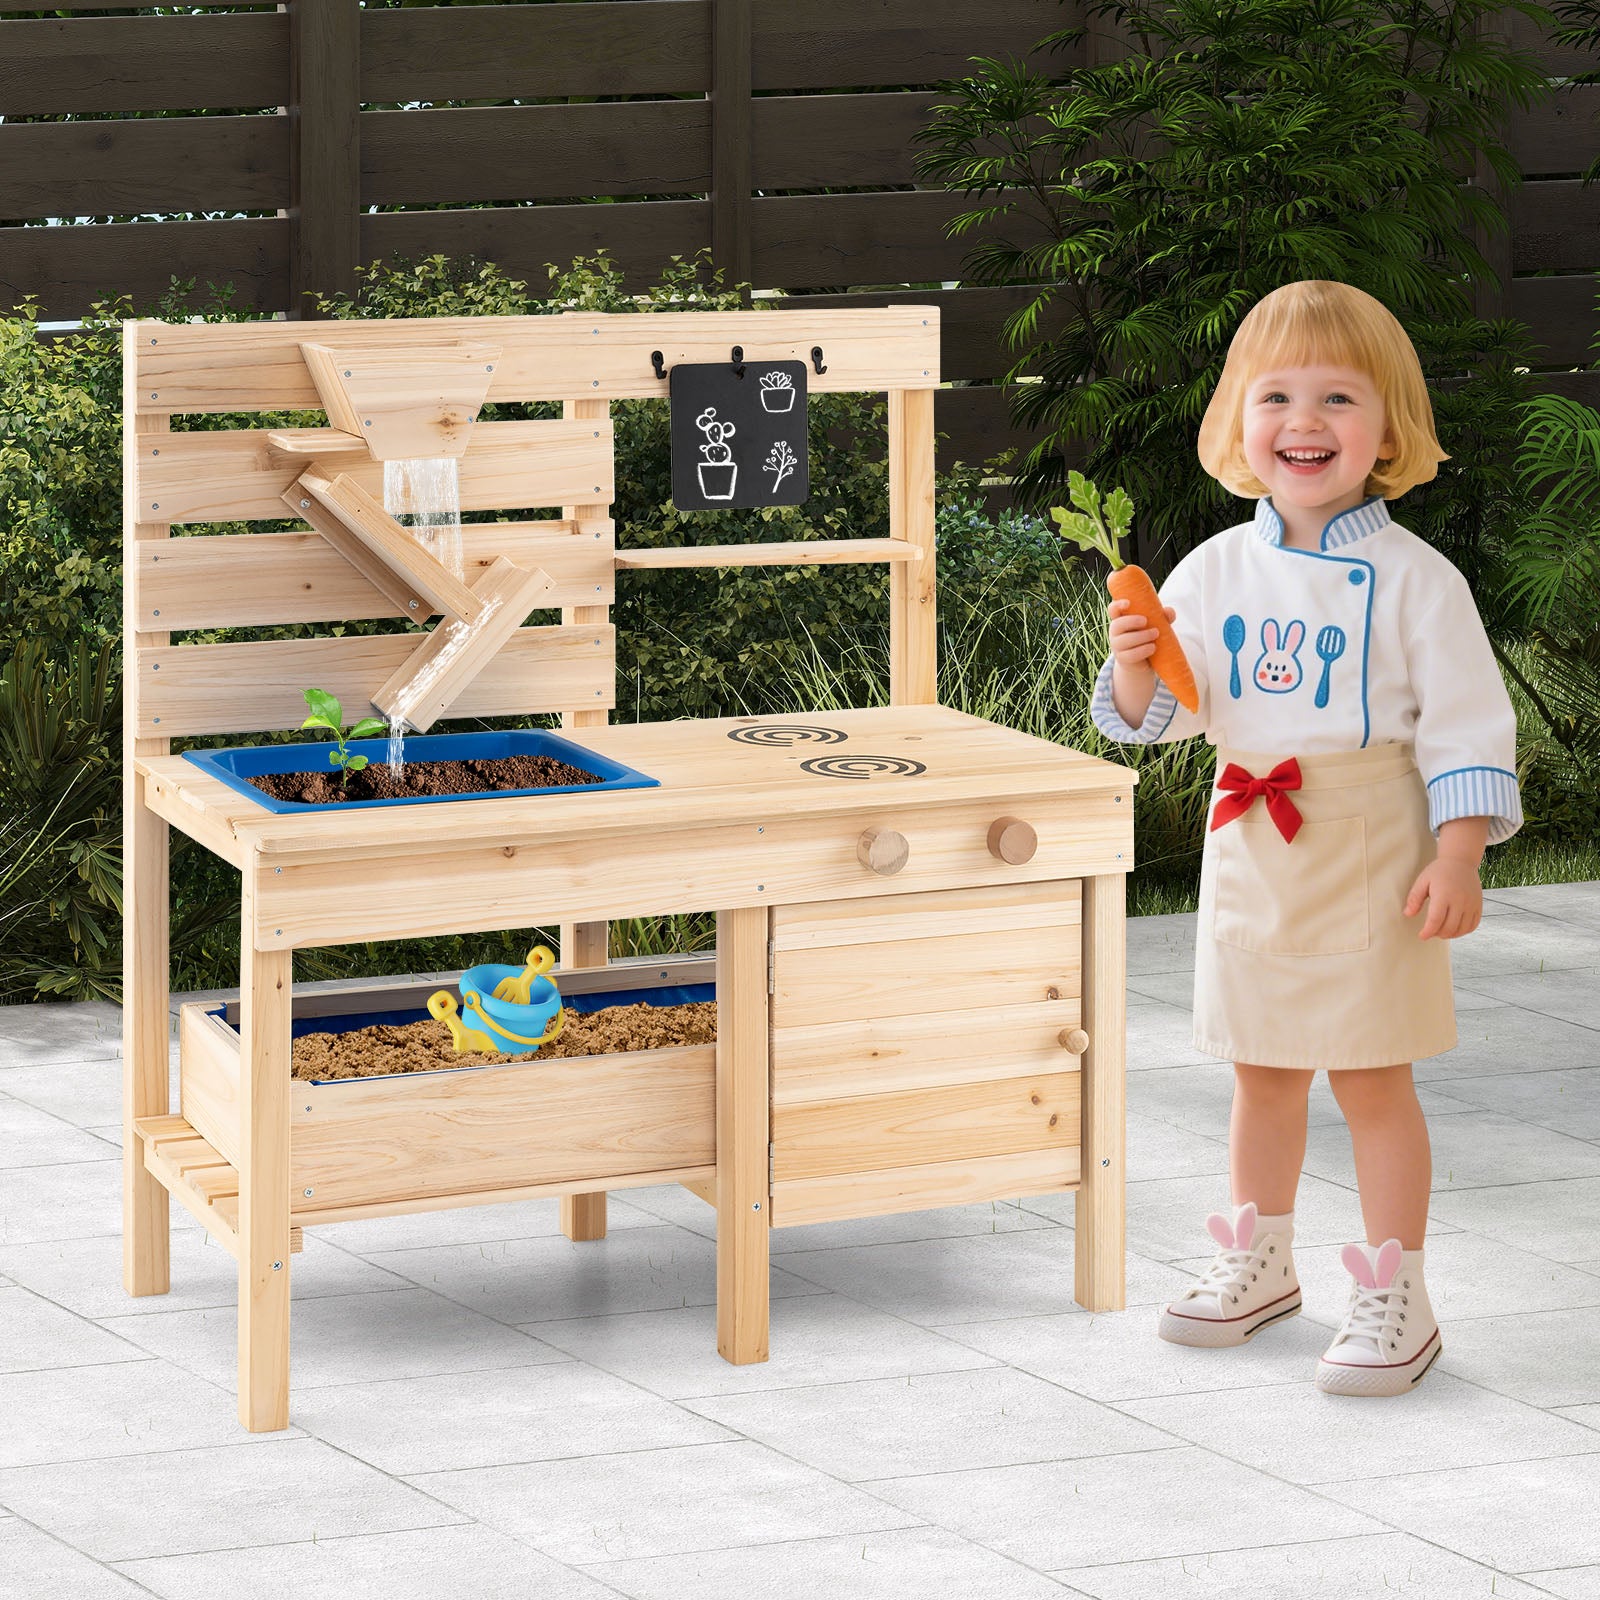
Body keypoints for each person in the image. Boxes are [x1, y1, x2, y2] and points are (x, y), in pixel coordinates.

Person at [1089, 279, 1522, 1397]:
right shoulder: (1208, 571)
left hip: (1375, 845)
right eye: (1275, 396)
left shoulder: (1421, 581)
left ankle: (1396, 1294)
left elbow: (1468, 725)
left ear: (1387, 430)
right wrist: (1140, 655)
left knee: (1373, 1080)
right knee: (1261, 1071)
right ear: (1239, 422)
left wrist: (1459, 850)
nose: (1304, 422)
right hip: (1256, 835)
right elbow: (1163, 715)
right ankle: (1258, 1259)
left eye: (1338, 397)